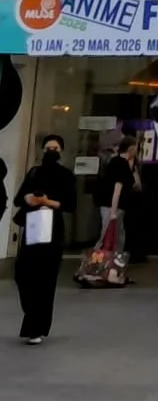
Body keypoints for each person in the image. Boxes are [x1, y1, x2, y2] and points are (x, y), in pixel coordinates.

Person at [13, 135, 77, 342]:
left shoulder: (66, 176)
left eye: (55, 148)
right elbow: (18, 198)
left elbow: (70, 204)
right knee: (22, 274)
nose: (51, 151)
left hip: (53, 231)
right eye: (48, 147)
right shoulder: (34, 172)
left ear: (61, 151)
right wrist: (29, 198)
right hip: (32, 229)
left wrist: (48, 201)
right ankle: (32, 316)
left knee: (46, 279)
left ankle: (35, 327)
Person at [102, 134, 145, 263]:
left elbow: (136, 186)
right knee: (107, 236)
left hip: (119, 206)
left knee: (118, 237)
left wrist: (134, 169)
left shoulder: (126, 165)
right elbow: (117, 188)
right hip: (113, 205)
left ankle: (115, 266)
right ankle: (100, 265)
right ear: (131, 148)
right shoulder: (119, 163)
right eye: (136, 148)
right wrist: (113, 211)